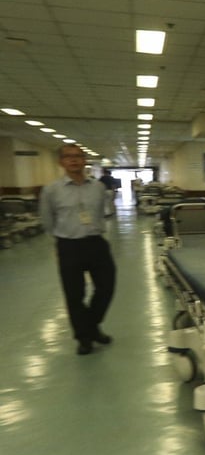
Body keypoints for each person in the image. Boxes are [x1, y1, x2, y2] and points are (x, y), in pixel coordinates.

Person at [39, 144, 117, 355]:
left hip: (96, 243)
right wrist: (58, 243)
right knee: (74, 295)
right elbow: (47, 221)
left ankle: (90, 327)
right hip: (69, 245)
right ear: (61, 162)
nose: (74, 160)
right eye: (68, 157)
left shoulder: (98, 188)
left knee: (106, 287)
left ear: (84, 161)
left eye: (78, 156)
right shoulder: (51, 190)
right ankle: (85, 338)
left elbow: (103, 212)